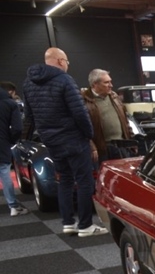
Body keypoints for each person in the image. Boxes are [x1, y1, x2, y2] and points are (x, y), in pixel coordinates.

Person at [22, 48, 108, 236]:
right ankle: (85, 225)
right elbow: (80, 112)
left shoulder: (28, 83)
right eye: (67, 61)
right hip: (73, 139)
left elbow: (29, 116)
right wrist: (89, 135)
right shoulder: (65, 80)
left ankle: (68, 223)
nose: (68, 65)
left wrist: (32, 136)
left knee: (65, 180)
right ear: (61, 61)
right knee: (85, 181)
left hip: (51, 140)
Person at [82, 69, 133, 166]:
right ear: (94, 84)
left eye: (110, 81)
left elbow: (125, 121)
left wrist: (131, 142)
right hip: (101, 150)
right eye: (106, 82)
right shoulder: (84, 100)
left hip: (121, 147)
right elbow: (81, 128)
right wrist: (92, 147)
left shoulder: (114, 97)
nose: (111, 85)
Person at [1, 81, 28, 216]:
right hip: (2, 143)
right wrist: (11, 141)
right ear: (10, 91)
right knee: (4, 173)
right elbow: (17, 128)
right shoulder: (11, 104)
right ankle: (13, 206)